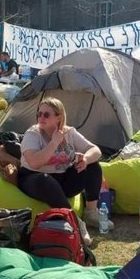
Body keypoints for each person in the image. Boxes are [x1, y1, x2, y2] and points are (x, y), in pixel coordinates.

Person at [17, 97, 112, 230]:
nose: (41, 117)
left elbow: (95, 150)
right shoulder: (33, 133)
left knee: (93, 165)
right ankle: (74, 222)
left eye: (46, 114)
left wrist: (85, 159)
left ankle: (91, 213)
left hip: (61, 179)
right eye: (39, 114)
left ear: (58, 118)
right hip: (33, 178)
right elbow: (34, 162)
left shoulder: (69, 132)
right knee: (45, 180)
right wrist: (54, 142)